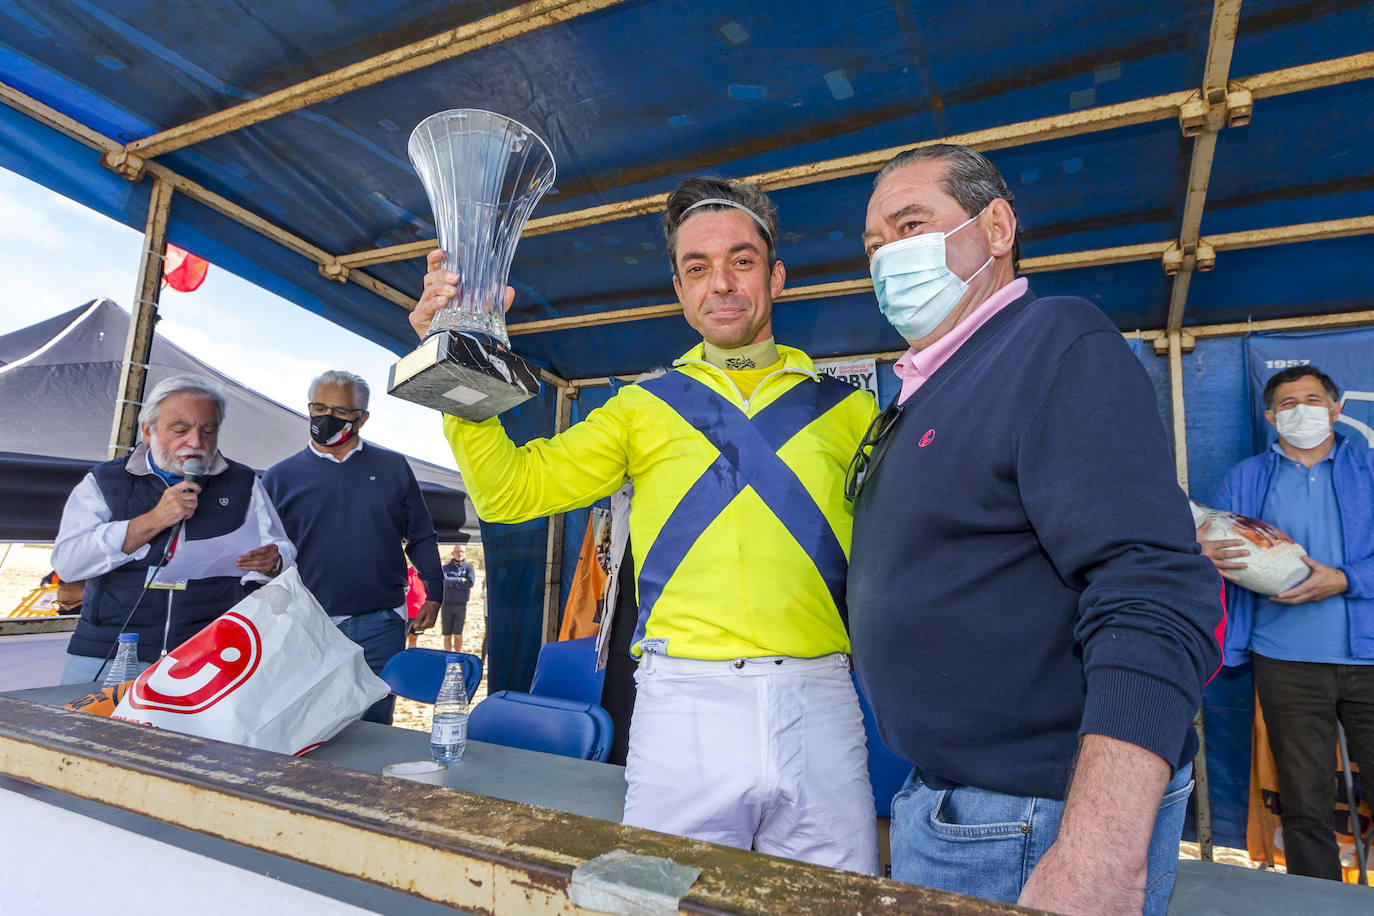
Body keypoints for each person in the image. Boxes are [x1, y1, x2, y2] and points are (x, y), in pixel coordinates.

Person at [412, 176, 881, 873]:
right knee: (658, 899)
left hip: (822, 701)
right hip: (682, 703)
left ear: (776, 276)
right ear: (679, 289)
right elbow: (511, 492)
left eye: (742, 261)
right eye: (698, 268)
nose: (720, 283)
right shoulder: (639, 407)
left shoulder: (851, 413)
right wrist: (455, 357)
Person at [845, 144, 1223, 914]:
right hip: (954, 803)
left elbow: (1152, 588)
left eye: (910, 224)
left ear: (997, 227)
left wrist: (1098, 856)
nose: (888, 257)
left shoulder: (1054, 343)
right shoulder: (926, 386)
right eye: (875, 246)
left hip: (1032, 819)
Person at [1200, 365, 1374, 880]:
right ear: (1272, 416)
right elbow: (1217, 547)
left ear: (1337, 408)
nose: (1303, 410)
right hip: (1286, 661)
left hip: (1368, 657)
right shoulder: (1246, 478)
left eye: (1314, 399)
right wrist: (1202, 552)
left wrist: (1345, 579)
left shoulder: (1369, 469)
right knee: (1304, 806)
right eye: (1289, 403)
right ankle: (1317, 905)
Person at [51, 375, 295, 684]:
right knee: (84, 732)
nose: (196, 443)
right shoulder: (104, 481)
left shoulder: (242, 483)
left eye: (208, 430)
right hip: (107, 653)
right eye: (180, 430)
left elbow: (282, 550)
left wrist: (273, 562)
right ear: (147, 430)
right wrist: (152, 520)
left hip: (205, 657)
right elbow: (68, 563)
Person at [262, 370, 443, 724]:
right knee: (309, 725)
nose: (325, 418)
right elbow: (264, 552)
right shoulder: (279, 477)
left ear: (363, 418)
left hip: (380, 624)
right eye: (318, 407)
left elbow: (420, 534)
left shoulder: (392, 467)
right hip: (307, 623)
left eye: (340, 412)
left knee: (374, 726)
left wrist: (435, 591)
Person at [440, 545, 476, 653]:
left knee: (458, 635)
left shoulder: (469, 568)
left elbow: (470, 582)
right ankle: (447, 656)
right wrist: (461, 580)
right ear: (452, 553)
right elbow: (445, 580)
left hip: (461, 606)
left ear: (464, 553)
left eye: (462, 552)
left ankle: (458, 656)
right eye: (457, 551)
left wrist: (453, 583)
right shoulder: (445, 568)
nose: (459, 554)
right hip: (446, 605)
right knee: (447, 635)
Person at [405, 562, 427, 649]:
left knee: (414, 638)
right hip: (408, 613)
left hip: (420, 613)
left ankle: (410, 660)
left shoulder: (426, 575)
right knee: (403, 639)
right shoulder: (406, 573)